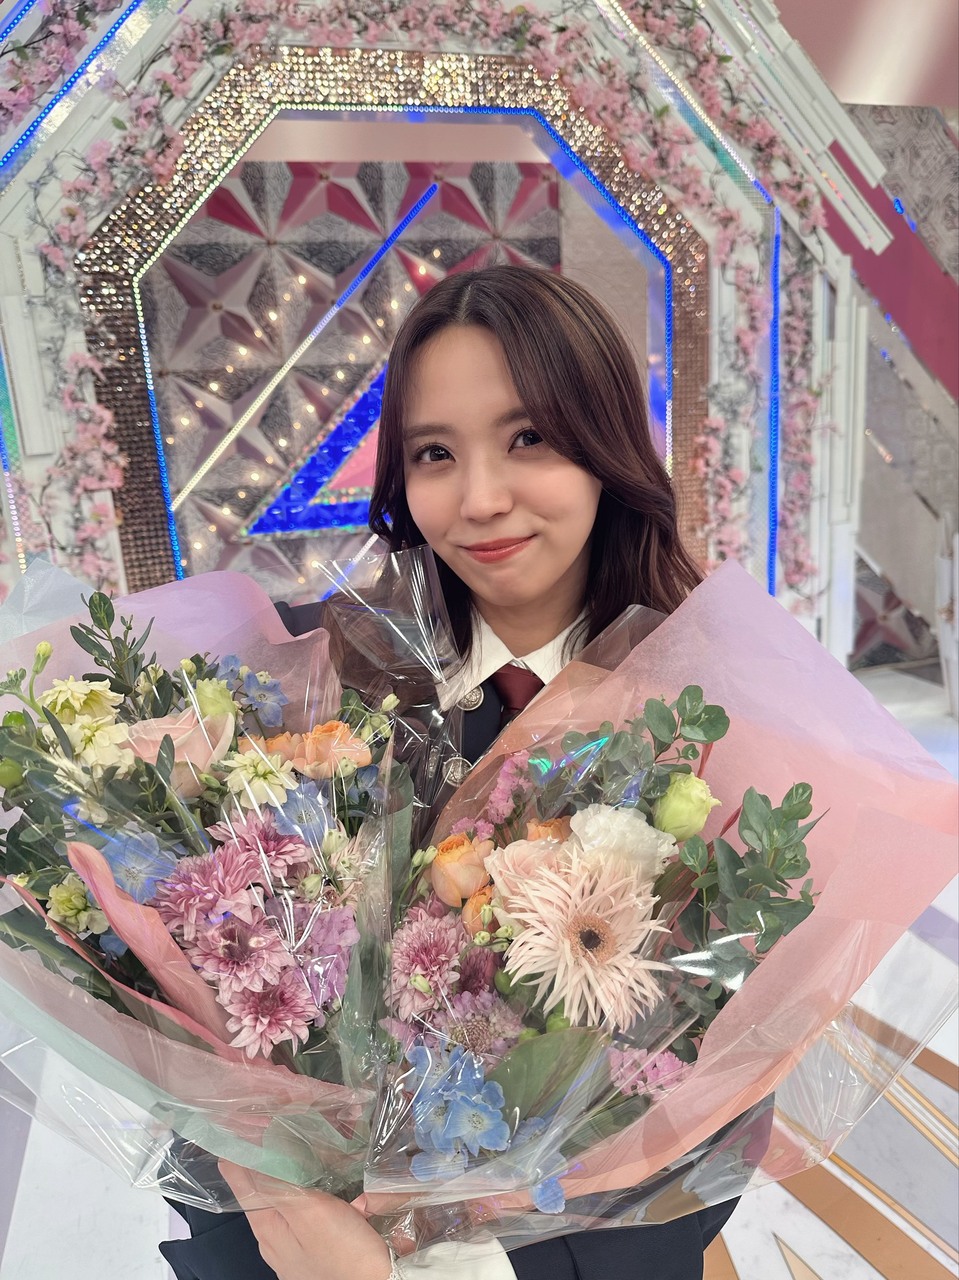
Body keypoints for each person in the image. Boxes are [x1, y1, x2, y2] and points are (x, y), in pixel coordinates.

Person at [161, 265, 738, 1280]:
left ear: (605, 447)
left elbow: (716, 1098)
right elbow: (195, 1052)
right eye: (434, 453)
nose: (478, 500)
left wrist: (484, 1256)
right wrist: (292, 1223)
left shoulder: (702, 715)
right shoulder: (313, 688)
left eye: (529, 438)